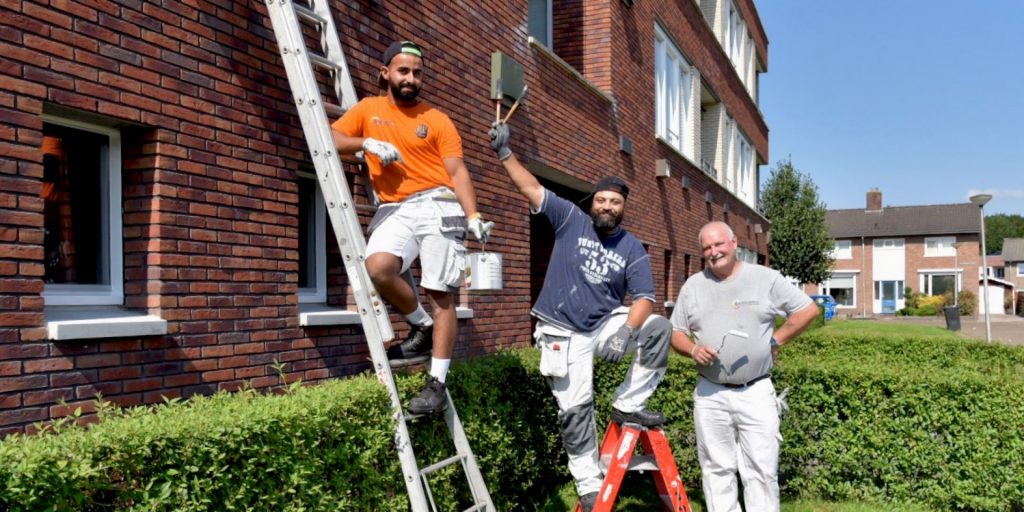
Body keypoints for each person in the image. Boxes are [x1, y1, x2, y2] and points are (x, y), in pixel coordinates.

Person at [488, 122, 672, 511]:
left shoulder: (632, 247)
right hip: (560, 329)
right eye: (602, 200)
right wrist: (505, 154)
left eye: (615, 203)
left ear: (623, 208)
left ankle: (628, 403)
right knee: (575, 410)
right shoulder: (570, 219)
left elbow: (644, 298)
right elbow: (531, 188)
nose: (607, 207)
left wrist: (626, 330)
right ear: (593, 202)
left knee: (657, 328)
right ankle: (589, 486)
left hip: (603, 325)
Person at [331, 40, 493, 415]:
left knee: (441, 294)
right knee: (378, 268)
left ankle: (436, 384)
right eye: (403, 71)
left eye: (417, 73)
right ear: (386, 72)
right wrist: (366, 143)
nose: (411, 78)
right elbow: (333, 138)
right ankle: (420, 327)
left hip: (439, 204)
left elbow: (458, 171)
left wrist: (473, 216)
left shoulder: (436, 119)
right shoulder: (368, 110)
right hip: (395, 207)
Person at [669, 221, 818, 512]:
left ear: (734, 243)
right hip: (710, 394)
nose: (714, 252)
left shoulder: (765, 279)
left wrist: (775, 342)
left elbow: (807, 310)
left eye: (719, 244)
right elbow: (675, 332)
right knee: (716, 470)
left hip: (756, 391)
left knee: (761, 470)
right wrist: (693, 349)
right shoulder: (694, 286)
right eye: (707, 248)